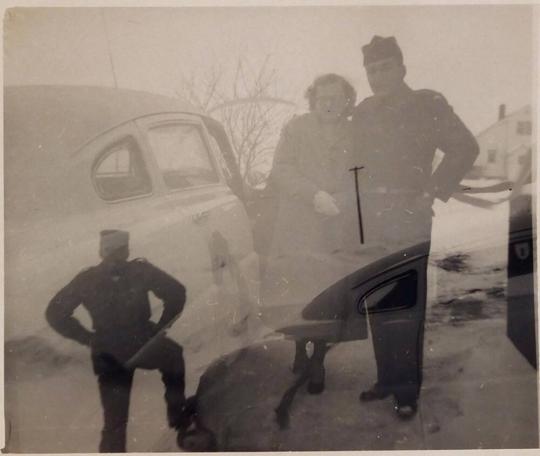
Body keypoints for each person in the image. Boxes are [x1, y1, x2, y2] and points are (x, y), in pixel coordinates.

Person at [352, 36, 479, 418]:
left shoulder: (427, 103)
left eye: (385, 67)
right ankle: (387, 379)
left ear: (402, 68)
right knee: (377, 301)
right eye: (371, 70)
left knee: (406, 301)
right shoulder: (363, 111)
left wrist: (433, 191)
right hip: (372, 218)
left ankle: (407, 390)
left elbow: (465, 147)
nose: (377, 76)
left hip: (409, 214)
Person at [46, 230, 188, 452]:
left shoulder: (86, 278)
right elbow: (177, 293)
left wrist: (87, 338)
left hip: (107, 353)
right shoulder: (140, 270)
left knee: (114, 423)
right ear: (125, 250)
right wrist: (161, 327)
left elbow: (54, 313)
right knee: (174, 357)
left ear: (102, 252)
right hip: (143, 343)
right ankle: (179, 418)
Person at [262, 73, 359, 394]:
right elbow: (281, 170)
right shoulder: (296, 128)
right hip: (298, 226)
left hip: (336, 226)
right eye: (322, 98)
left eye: (336, 97)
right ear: (313, 100)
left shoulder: (356, 131)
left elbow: (362, 173)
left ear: (347, 99)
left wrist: (342, 200)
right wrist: (314, 195)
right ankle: (298, 347)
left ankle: (317, 359)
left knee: (327, 295)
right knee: (298, 291)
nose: (329, 103)